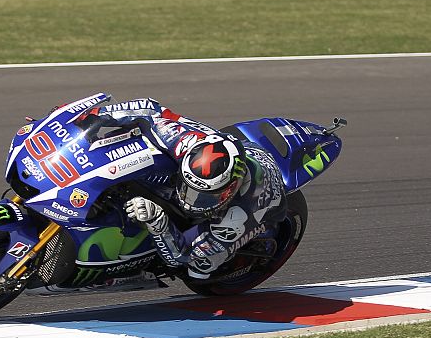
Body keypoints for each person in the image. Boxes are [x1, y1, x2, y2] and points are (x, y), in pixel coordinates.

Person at [79, 98, 287, 280]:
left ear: (229, 191)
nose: (190, 200)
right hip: (233, 154)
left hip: (261, 207)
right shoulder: (184, 141)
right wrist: (96, 117)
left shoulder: (239, 215)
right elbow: (149, 109)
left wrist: (159, 223)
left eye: (203, 197)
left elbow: (182, 258)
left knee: (199, 269)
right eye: (189, 189)